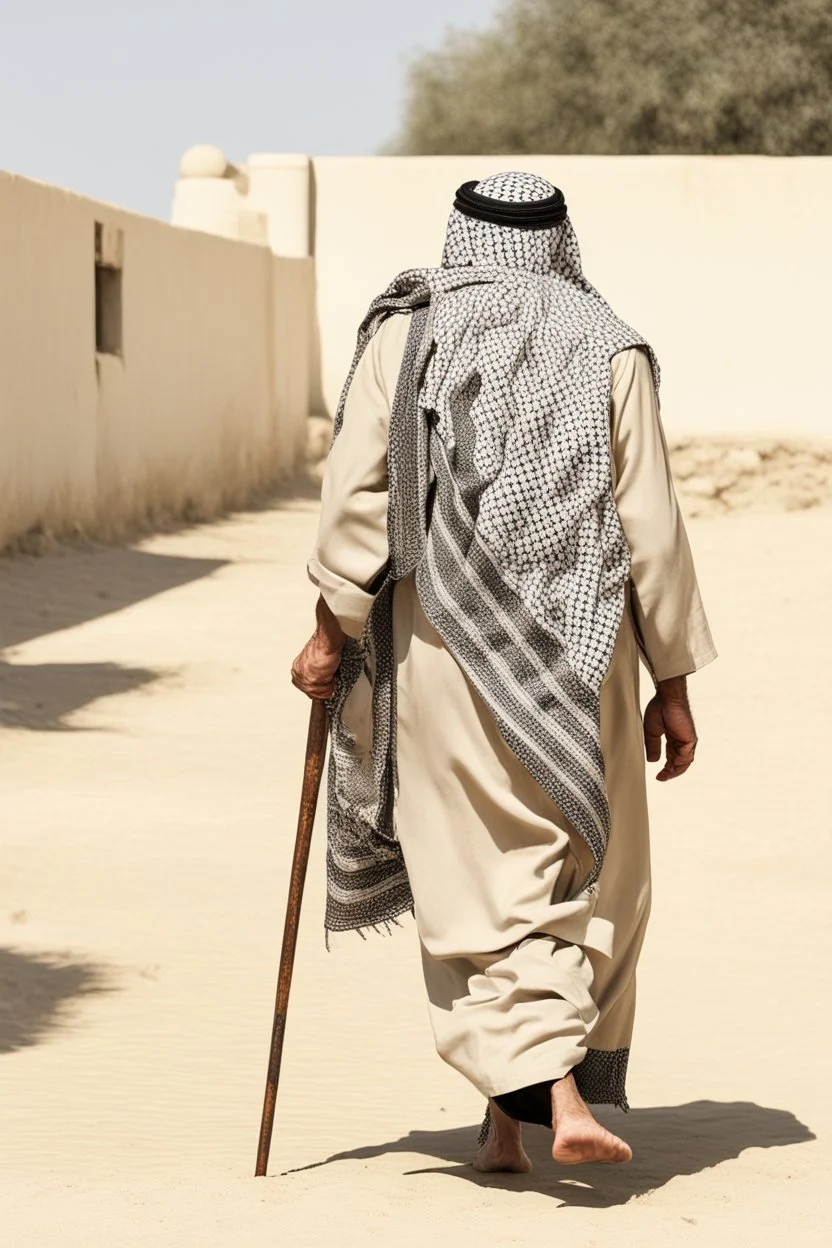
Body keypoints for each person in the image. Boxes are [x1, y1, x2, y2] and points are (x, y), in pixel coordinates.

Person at [291, 172, 716, 1171]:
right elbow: (650, 525)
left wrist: (329, 626)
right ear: (557, 239)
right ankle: (510, 1124)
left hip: (443, 648)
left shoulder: (411, 328)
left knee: (479, 870)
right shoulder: (610, 343)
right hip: (588, 655)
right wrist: (674, 683)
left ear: (459, 234)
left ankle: (549, 1098)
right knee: (580, 863)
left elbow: (360, 496)